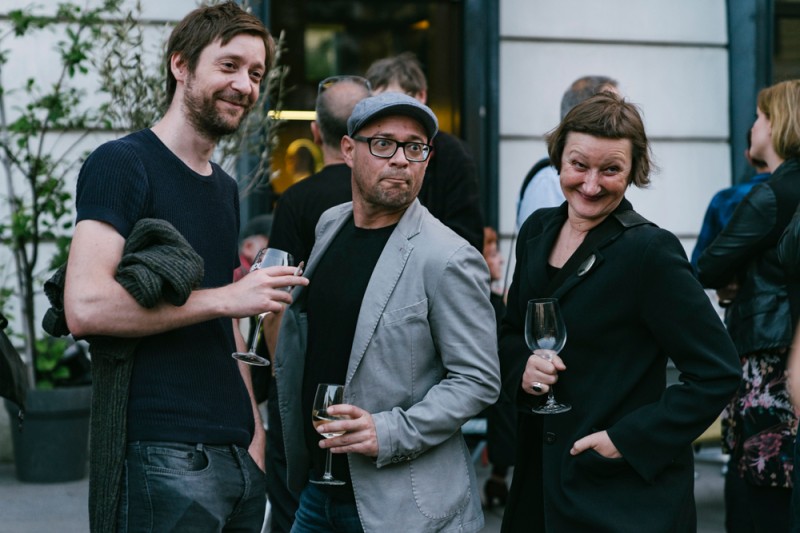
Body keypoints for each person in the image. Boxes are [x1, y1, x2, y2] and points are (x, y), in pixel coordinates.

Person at [62, 3, 308, 531]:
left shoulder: (223, 186)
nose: (245, 84)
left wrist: (255, 432)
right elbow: (84, 306)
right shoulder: (121, 163)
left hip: (237, 454)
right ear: (181, 65)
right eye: (229, 65)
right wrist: (228, 298)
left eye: (256, 74)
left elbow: (227, 326)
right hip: (161, 453)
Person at [499, 92, 741, 532]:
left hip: (621, 501)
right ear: (558, 160)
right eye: (579, 165)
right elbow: (510, 331)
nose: (591, 185)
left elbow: (718, 372)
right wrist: (522, 369)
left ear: (632, 173)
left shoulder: (650, 251)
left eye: (610, 170)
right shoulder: (536, 231)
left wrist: (626, 441)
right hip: (539, 488)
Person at [273, 92, 500, 532]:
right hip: (316, 492)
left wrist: (390, 432)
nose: (400, 159)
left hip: (399, 507)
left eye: (415, 147)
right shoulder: (329, 225)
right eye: (383, 144)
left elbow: (478, 379)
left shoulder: (448, 256)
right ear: (348, 150)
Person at [265, 74, 371, 533]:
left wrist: (281, 375)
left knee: (296, 504)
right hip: (375, 394)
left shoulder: (296, 200)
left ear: (315, 133)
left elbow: (275, 300)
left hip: (308, 390)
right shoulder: (397, 201)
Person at [698, 79, 800, 532]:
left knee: (759, 481)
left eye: (760, 116)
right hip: (789, 347)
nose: (753, 125)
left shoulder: (770, 194)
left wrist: (735, 276)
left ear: (777, 124)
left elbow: (706, 266)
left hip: (770, 356)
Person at [365, 52, 484, 251]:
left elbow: (466, 237)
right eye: (376, 105)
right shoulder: (365, 149)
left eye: (395, 103)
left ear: (421, 96)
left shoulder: (453, 155)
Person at [516, 75, 619, 229]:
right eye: (613, 109)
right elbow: (540, 246)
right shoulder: (547, 182)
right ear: (586, 115)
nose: (624, 117)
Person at [690, 131, 771, 273]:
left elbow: (698, 267)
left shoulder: (725, 200)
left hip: (739, 291)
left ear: (749, 156)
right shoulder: (791, 193)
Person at [481, 227, 516, 508]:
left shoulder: (494, 300)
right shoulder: (485, 302)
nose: (500, 260)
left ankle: (499, 475)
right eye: (492, 254)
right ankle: (499, 473)